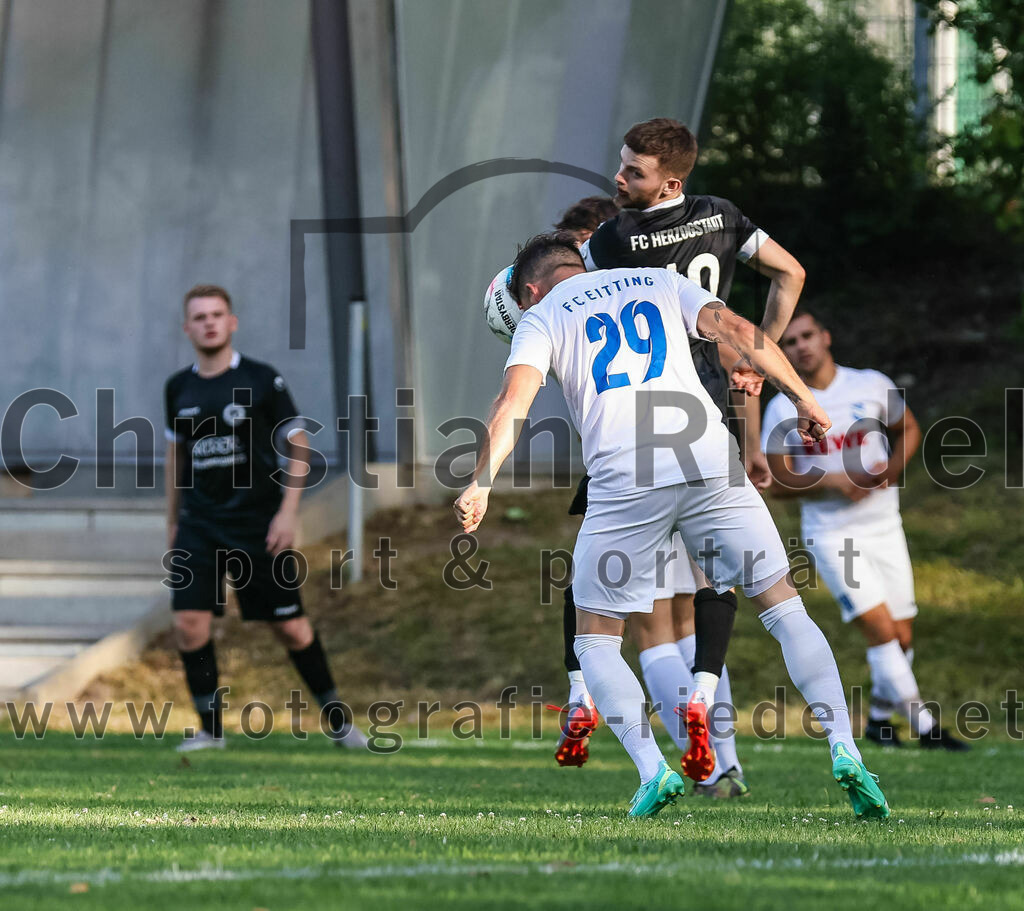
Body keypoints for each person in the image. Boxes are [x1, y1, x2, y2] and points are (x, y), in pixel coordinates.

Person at [457, 234, 889, 820]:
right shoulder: (659, 279)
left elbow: (513, 404)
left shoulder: (543, 314)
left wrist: (482, 480)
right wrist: (804, 397)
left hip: (626, 477)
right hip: (708, 460)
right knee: (785, 607)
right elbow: (739, 331)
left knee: (595, 638)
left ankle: (652, 770)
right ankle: (845, 749)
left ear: (529, 289)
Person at [164, 284, 367, 752]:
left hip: (258, 523)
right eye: (199, 317)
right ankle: (211, 731)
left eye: (217, 314)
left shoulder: (261, 380)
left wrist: (287, 512)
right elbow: (176, 458)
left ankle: (339, 723)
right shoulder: (178, 387)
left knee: (291, 627)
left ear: (232, 322)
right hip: (198, 524)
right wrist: (172, 523)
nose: (209, 322)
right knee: (188, 624)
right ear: (187, 328)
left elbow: (300, 445)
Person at [761, 309, 968, 751]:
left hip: (883, 524)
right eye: (791, 341)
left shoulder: (870, 384)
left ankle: (877, 720)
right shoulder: (782, 407)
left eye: (807, 335)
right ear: (786, 353)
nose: (801, 346)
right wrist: (829, 480)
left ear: (826, 336)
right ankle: (928, 728)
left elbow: (908, 427)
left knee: (902, 634)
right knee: (880, 632)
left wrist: (889, 473)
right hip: (832, 534)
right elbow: (774, 483)